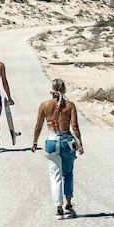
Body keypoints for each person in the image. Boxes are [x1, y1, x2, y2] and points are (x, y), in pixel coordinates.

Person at [31, 78, 84, 219]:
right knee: (68, 174)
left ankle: (58, 208)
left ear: (51, 90)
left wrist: (35, 141)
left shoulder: (44, 105)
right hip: (67, 142)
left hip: (52, 141)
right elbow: (75, 127)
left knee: (55, 177)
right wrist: (80, 144)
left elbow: (38, 126)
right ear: (64, 90)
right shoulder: (70, 106)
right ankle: (68, 204)